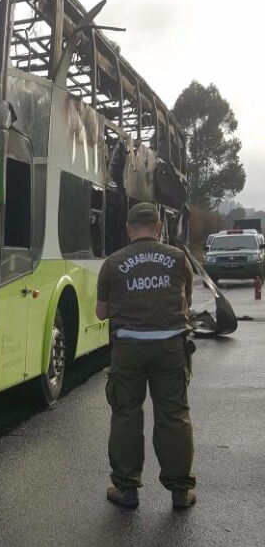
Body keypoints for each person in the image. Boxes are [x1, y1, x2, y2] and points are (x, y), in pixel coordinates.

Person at [96, 202, 197, 510]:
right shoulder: (179, 259)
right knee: (173, 416)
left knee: (126, 415)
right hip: (170, 349)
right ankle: (180, 492)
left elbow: (101, 313)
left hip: (129, 350)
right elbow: (187, 302)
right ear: (158, 228)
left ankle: (126, 489)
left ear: (128, 229)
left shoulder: (113, 264)